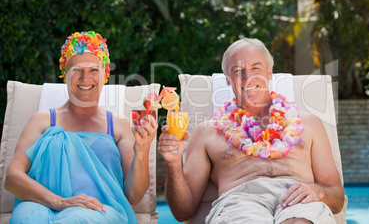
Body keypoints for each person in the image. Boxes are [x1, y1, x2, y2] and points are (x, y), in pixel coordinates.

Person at [158, 38, 345, 224]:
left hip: (299, 200)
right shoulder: (207, 132)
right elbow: (183, 212)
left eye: (256, 68)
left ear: (270, 72)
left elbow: (336, 196)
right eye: (238, 71)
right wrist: (173, 163)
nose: (249, 78)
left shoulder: (309, 123)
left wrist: (319, 192)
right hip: (240, 203)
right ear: (227, 78)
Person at [4, 31, 157, 224]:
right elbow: (12, 177)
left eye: (93, 70)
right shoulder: (42, 120)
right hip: (41, 205)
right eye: (76, 69)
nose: (85, 78)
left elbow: (134, 196)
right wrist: (59, 201)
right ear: (64, 73)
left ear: (105, 74)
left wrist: (142, 151)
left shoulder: (119, 125)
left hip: (98, 210)